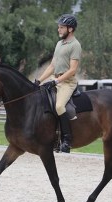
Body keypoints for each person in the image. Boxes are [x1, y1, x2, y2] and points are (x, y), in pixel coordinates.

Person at [35, 14, 82, 153]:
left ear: (70, 29)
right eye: (59, 27)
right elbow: (52, 66)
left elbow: (73, 70)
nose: (59, 30)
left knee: (60, 106)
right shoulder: (59, 44)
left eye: (61, 27)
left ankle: (67, 140)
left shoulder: (75, 45)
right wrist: (39, 80)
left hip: (67, 82)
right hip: (56, 80)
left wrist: (57, 81)